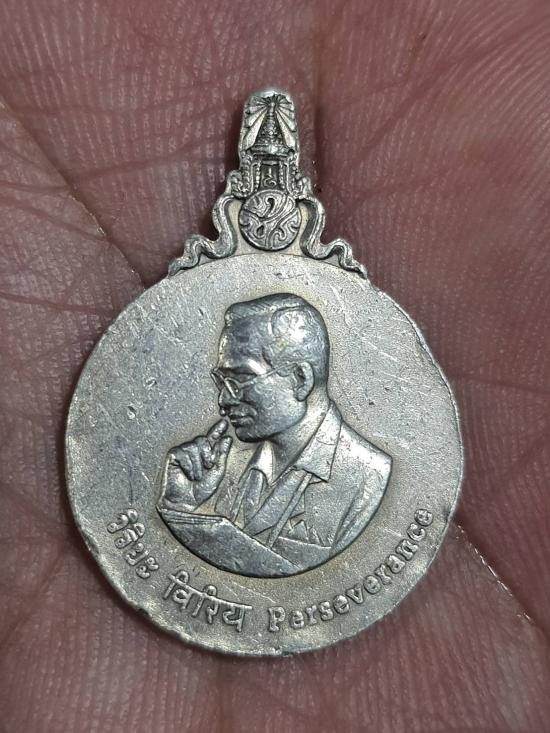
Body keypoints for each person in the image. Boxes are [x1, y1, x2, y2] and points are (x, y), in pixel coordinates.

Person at [158, 293, 391, 575]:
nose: (223, 401)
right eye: (222, 381)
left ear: (300, 380)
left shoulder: (370, 479)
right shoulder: (220, 468)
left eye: (240, 379)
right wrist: (181, 507)